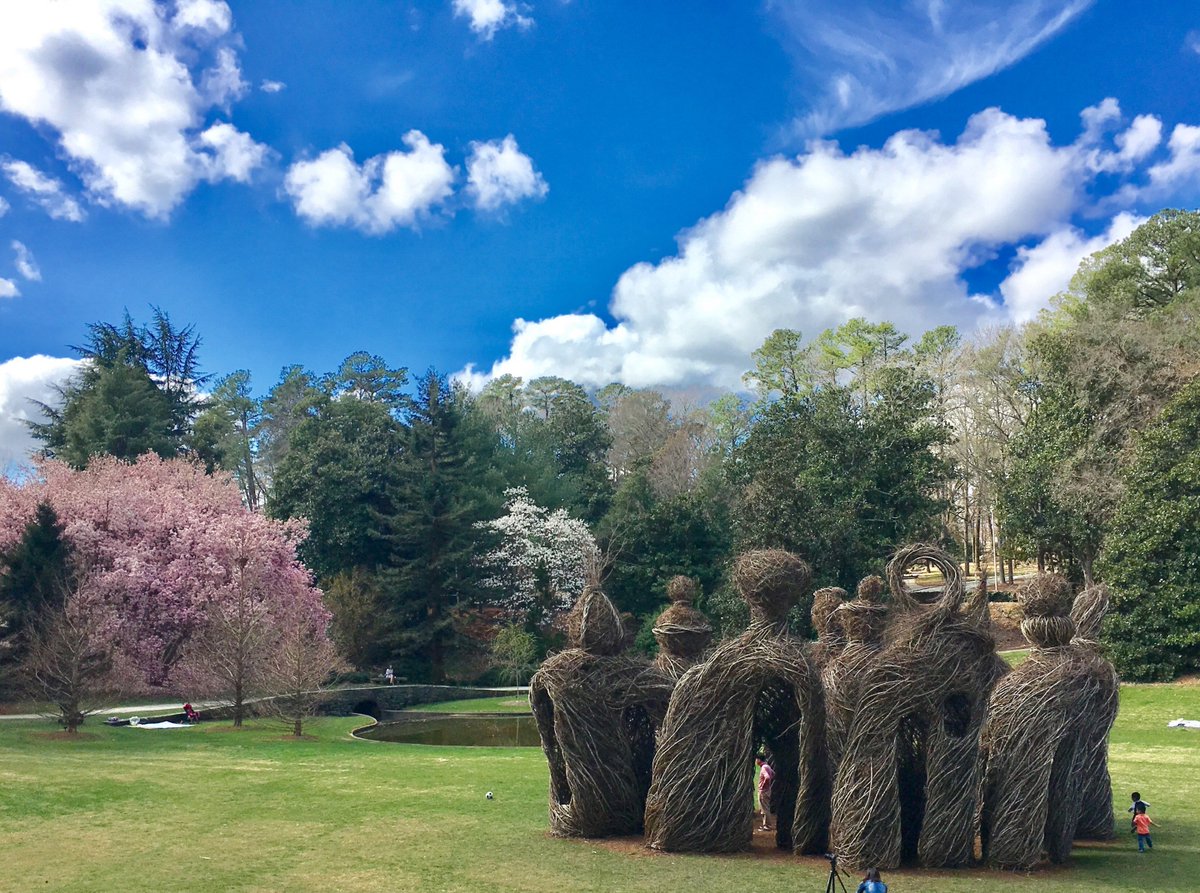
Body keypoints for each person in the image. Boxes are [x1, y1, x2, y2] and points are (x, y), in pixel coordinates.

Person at [755, 753, 774, 831]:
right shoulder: (767, 766)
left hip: (764, 791)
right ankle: (765, 825)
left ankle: (767, 826)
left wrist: (763, 786)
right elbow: (773, 774)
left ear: (759, 760)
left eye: (756, 759)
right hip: (767, 790)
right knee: (765, 808)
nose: (755, 761)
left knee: (764, 809)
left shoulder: (764, 768)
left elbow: (768, 777)